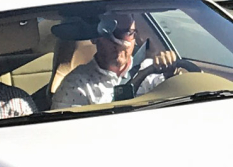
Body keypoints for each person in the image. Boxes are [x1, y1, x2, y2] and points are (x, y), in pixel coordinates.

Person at [49, 10, 180, 107]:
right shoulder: (76, 86)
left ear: (135, 36)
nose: (118, 42)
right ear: (95, 38)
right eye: (110, 33)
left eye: (127, 33)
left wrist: (171, 76)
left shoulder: (153, 71)